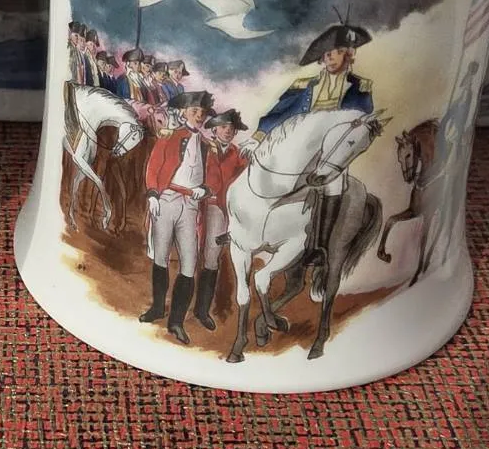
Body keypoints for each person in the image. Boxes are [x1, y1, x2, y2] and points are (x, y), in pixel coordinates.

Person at [258, 23, 376, 270]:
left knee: (333, 184)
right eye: (326, 54)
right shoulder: (304, 85)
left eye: (336, 52)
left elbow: (360, 123)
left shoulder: (360, 88)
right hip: (299, 148)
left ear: (349, 54)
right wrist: (258, 136)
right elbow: (280, 113)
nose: (330, 58)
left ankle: (319, 247)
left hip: (332, 153)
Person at [140, 90, 215, 346]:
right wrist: (153, 193)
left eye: (202, 113)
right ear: (184, 112)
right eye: (194, 111)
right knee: (160, 256)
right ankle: (157, 308)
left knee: (189, 264)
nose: (199, 116)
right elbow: (154, 166)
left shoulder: (206, 145)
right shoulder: (170, 137)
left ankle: (176, 322)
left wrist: (204, 190)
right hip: (167, 199)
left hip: (191, 206)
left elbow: (211, 177)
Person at [195, 108, 248, 331]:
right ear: (215, 129)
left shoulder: (239, 154)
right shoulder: (202, 147)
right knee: (205, 257)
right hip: (206, 206)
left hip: (229, 210)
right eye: (224, 127)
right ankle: (198, 309)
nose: (228, 131)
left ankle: (203, 309)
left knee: (214, 258)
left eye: (232, 129)